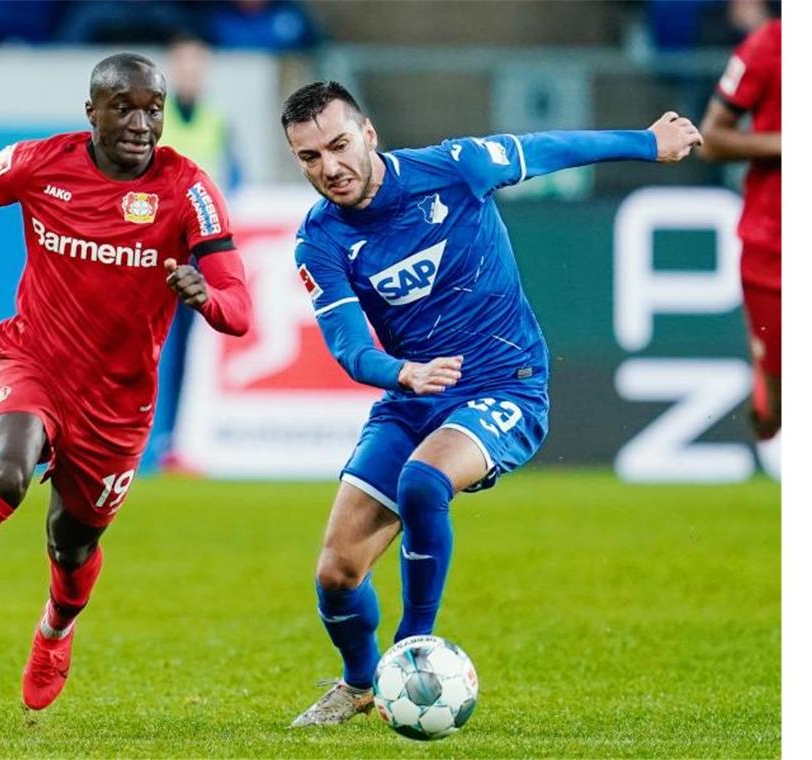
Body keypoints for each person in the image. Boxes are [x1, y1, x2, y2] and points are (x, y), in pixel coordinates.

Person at [280, 81, 701, 726]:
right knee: (336, 574)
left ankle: (411, 652)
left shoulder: (452, 169)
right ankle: (361, 683)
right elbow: (346, 346)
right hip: (413, 393)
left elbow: (547, 147)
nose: (330, 168)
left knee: (423, 480)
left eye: (338, 146)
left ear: (368, 134)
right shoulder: (321, 241)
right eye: (310, 158)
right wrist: (402, 373)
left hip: (506, 383)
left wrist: (649, 142)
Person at [0, 53, 251, 711]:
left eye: (153, 109)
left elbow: (239, 306)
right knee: (6, 473)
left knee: (72, 543)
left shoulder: (189, 190)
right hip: (32, 362)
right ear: (91, 111)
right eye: (124, 107)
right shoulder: (39, 163)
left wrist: (205, 296)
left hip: (118, 402)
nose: (141, 123)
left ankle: (55, 629)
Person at [147, 33, 241, 472]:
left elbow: (232, 185)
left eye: (196, 65)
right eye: (182, 64)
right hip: (151, 250)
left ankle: (176, 440)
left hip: (198, 253)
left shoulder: (217, 122)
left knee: (190, 351)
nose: (189, 73)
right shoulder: (154, 120)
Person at [698, 15, 781, 440]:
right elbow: (709, 139)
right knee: (771, 419)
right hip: (775, 248)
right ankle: (768, 379)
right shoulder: (772, 44)